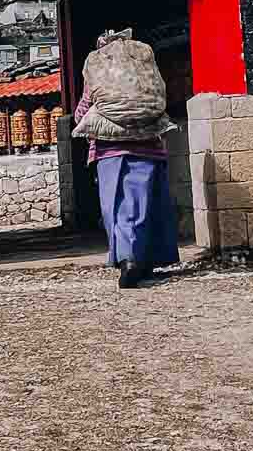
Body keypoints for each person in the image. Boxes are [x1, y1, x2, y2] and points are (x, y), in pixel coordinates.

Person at [72, 30, 180, 288]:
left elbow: (81, 113)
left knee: (120, 208)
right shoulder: (144, 73)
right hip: (149, 149)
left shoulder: (99, 74)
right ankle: (147, 262)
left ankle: (128, 260)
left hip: (111, 154)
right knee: (149, 205)